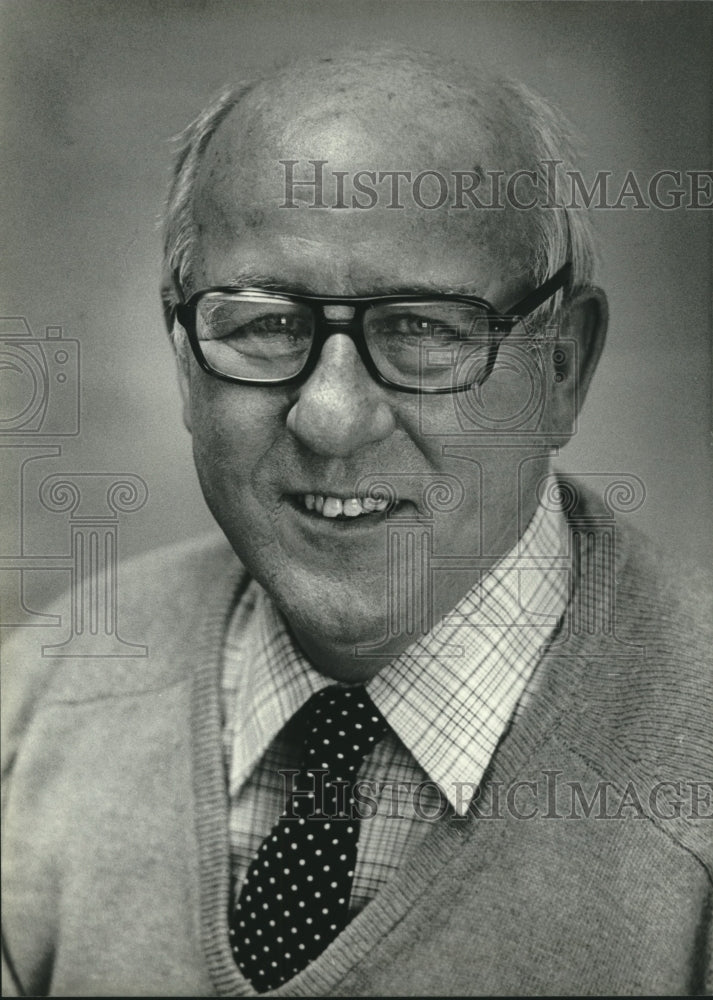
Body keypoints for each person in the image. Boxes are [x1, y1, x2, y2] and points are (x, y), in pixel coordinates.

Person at [2, 46, 711, 997]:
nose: (331, 418)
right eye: (265, 323)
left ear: (560, 367)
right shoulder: (39, 702)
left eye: (423, 327)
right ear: (183, 360)